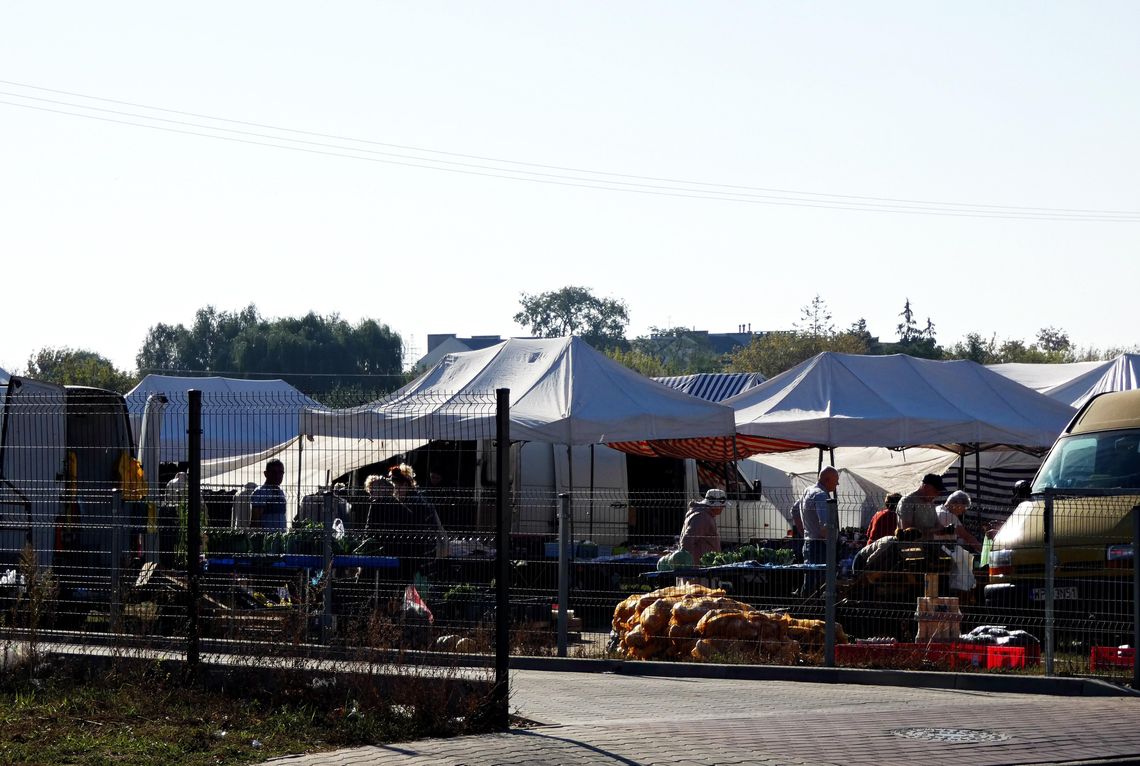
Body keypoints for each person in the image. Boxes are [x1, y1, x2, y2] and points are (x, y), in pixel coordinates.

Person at [798, 466, 840, 596]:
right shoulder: (821, 495)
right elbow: (824, 526)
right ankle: (815, 612)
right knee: (819, 584)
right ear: (827, 480)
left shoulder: (808, 490)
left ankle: (804, 610)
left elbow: (794, 510)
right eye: (836, 480)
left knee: (810, 581)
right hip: (819, 546)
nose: (837, 483)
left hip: (809, 542)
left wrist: (804, 531)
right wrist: (832, 545)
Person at [678, 488, 726, 561]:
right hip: (699, 565)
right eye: (722, 506)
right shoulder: (703, 517)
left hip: (702, 562)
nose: (723, 508)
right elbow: (687, 541)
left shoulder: (705, 514)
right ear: (716, 505)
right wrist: (688, 563)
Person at [895, 473, 946, 540]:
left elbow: (938, 525)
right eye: (935, 491)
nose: (937, 495)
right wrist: (933, 530)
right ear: (925, 487)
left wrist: (946, 530)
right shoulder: (908, 501)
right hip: (911, 547)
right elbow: (907, 531)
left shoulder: (930, 503)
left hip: (928, 546)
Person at [935, 489, 982, 553]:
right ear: (958, 504)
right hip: (943, 552)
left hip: (934, 548)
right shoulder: (950, 516)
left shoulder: (937, 509)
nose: (961, 513)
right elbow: (967, 537)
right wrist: (983, 550)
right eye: (963, 509)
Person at [250, 458, 287, 530]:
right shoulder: (261, 492)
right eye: (274, 472)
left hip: (280, 538)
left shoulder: (281, 492)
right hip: (266, 538)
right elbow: (255, 522)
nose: (277, 475)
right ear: (266, 474)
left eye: (280, 472)